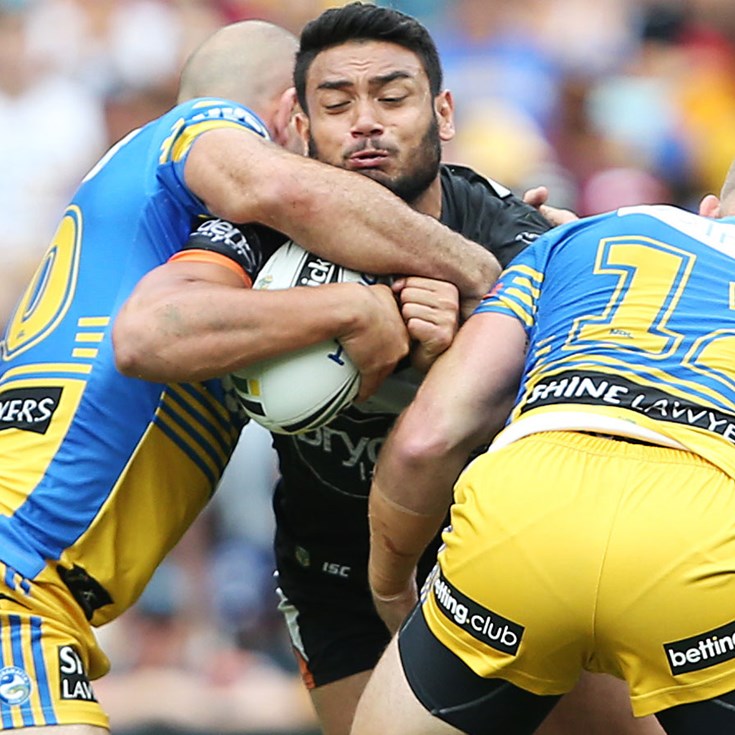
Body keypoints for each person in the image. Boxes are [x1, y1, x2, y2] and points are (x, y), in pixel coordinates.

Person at [0, 17, 503, 733]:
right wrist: (484, 274)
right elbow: (282, 192)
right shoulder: (200, 129)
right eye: (326, 110)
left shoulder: (212, 261)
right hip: (16, 577)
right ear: (287, 114)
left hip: (48, 597)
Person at [247, 4, 659, 735]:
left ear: (442, 113)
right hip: (333, 568)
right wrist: (352, 311)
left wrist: (466, 340)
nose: (365, 123)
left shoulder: (517, 235)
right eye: (337, 105)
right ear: (300, 126)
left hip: (504, 558)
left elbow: (585, 411)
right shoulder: (256, 225)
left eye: (392, 97)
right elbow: (151, 334)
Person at [352, 160, 735, 735]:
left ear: (709, 210)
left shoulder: (575, 239)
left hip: (526, 509)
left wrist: (390, 587)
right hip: (707, 527)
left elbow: (427, 438)